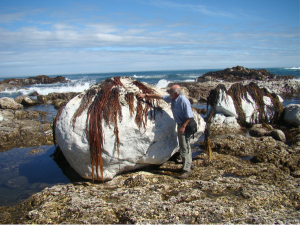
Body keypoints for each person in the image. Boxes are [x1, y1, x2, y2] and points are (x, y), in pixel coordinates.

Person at [137, 85, 194, 179]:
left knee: (184, 147)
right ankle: (188, 163)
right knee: (186, 145)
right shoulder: (172, 98)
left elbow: (189, 116)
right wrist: (145, 95)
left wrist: (183, 127)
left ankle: (186, 170)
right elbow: (159, 96)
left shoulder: (183, 100)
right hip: (182, 124)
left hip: (186, 124)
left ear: (176, 93)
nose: (168, 93)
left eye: (170, 91)